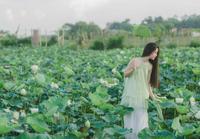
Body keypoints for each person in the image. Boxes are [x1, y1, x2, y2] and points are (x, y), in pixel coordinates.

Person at [120, 42, 162, 139]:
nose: (156, 55)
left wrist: (153, 97)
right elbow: (125, 74)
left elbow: (148, 84)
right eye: (155, 52)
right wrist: (133, 69)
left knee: (141, 121)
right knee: (130, 119)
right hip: (132, 95)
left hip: (143, 96)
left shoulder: (150, 66)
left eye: (156, 53)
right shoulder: (134, 60)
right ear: (149, 51)